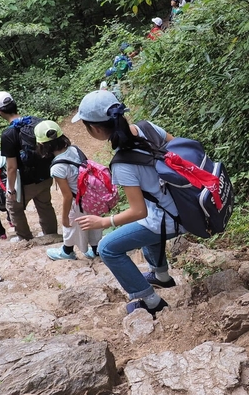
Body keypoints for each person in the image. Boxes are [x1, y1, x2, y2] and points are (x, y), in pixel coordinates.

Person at [73, 90, 180, 316]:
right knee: (149, 221)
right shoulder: (148, 128)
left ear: (96, 129)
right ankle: (161, 275)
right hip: (183, 205)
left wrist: (103, 222)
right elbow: (181, 150)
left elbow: (138, 211)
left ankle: (149, 300)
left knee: (108, 248)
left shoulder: (123, 163)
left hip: (170, 219)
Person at [0, 90, 58, 243]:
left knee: (13, 207)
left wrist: (11, 189)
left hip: (26, 183)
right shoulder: (36, 122)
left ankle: (25, 238)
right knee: (45, 205)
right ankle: (51, 235)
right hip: (46, 176)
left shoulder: (8, 134)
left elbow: (11, 168)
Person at [34, 119, 103, 261]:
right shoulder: (75, 149)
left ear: (41, 144)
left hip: (77, 201)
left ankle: (67, 251)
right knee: (93, 224)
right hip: (91, 196)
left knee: (71, 227)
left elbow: (67, 196)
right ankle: (96, 251)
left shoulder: (57, 167)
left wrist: (64, 216)